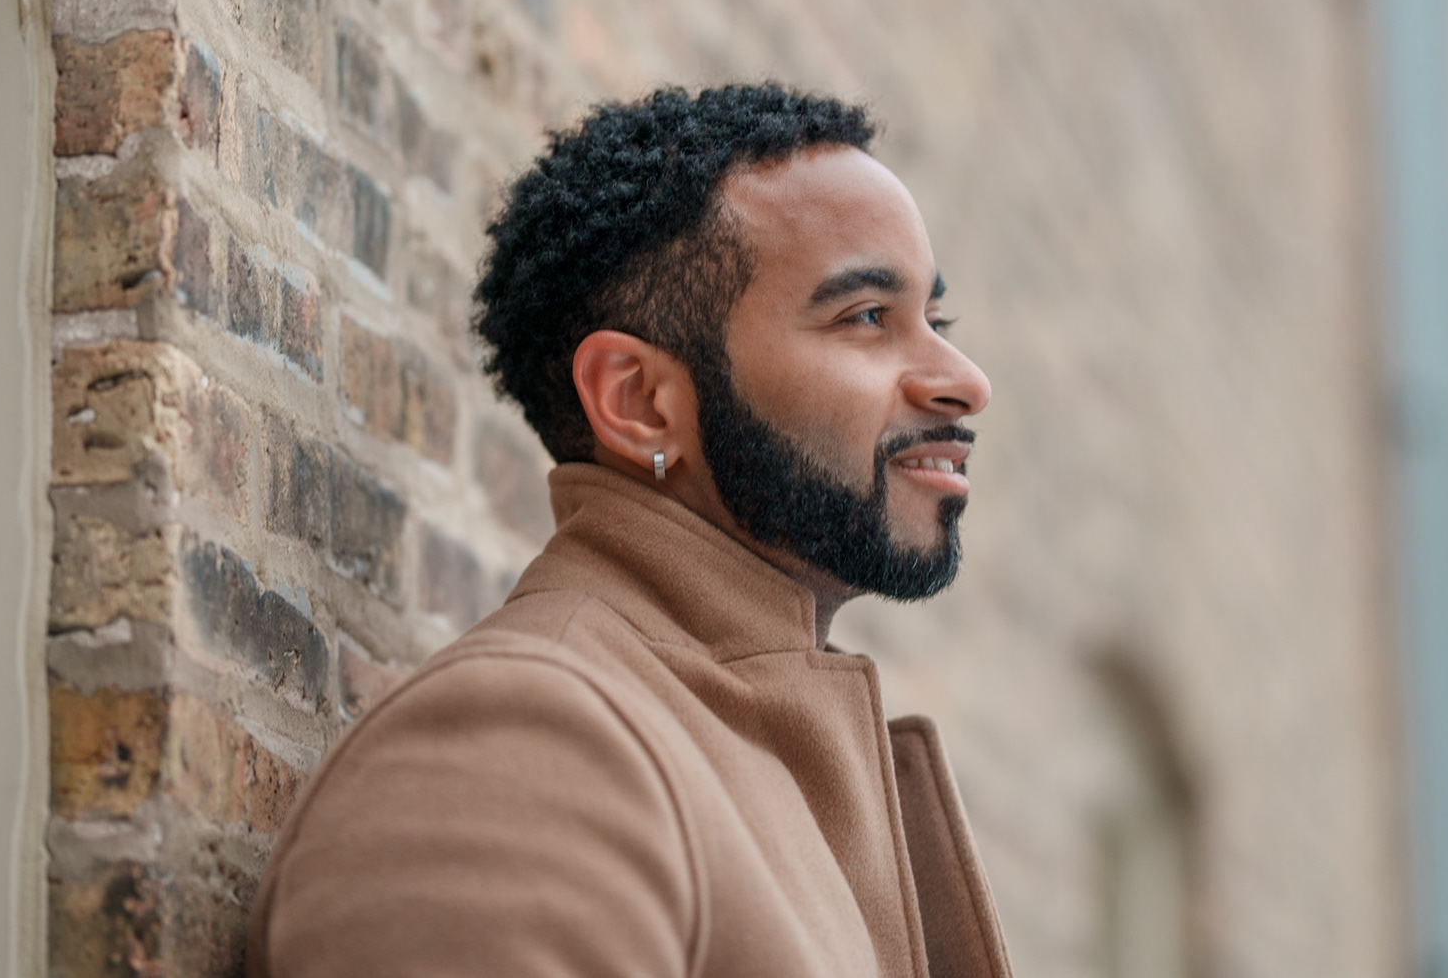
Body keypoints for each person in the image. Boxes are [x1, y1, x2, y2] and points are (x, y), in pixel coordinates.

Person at [246, 84, 1013, 978]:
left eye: (936, 320)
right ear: (639, 400)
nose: (965, 380)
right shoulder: (524, 752)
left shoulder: (744, 761)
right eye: (867, 316)